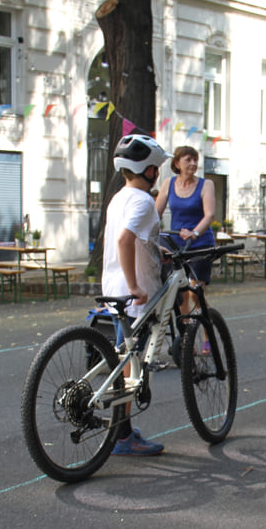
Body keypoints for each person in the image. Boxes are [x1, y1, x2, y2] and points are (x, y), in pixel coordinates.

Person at [103, 134, 170, 456]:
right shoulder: (144, 200)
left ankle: (123, 430)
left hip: (112, 286)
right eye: (157, 167)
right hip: (135, 294)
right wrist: (135, 286)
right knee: (131, 366)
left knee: (123, 359)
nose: (158, 172)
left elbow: (131, 239)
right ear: (149, 171)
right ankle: (122, 437)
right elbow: (124, 240)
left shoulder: (120, 197)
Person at [154, 145, 215, 317]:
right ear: (177, 163)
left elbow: (209, 215)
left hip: (200, 244)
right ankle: (188, 341)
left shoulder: (206, 185)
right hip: (177, 245)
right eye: (188, 159)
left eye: (195, 159)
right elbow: (155, 214)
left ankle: (206, 332)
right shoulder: (168, 184)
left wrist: (194, 233)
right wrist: (149, 230)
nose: (193, 163)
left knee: (195, 293)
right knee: (181, 295)